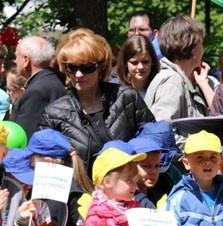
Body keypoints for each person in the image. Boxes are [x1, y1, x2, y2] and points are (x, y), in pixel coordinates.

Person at [39, 28, 155, 177]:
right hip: (79, 197)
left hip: (128, 193)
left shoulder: (127, 98)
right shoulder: (53, 114)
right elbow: (42, 165)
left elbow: (153, 143)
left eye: (87, 67)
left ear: (100, 66)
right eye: (72, 67)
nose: (78, 74)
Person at [144, 15, 211, 149]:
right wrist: (201, 149)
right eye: (201, 43)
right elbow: (161, 135)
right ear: (192, 49)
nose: (203, 49)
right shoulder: (172, 81)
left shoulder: (177, 78)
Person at [11, 36, 66, 139]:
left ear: (26, 59)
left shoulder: (36, 92)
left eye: (16, 56)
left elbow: (23, 138)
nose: (15, 61)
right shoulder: (51, 81)